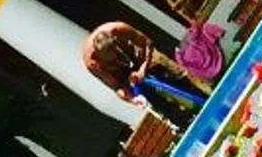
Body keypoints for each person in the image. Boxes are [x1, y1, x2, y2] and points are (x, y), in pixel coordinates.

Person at [82, 20, 211, 123]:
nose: (116, 56)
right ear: (99, 56)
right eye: (112, 58)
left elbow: (148, 43)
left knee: (178, 77)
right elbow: (117, 88)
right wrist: (134, 99)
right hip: (124, 75)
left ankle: (207, 96)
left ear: (117, 41)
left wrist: (143, 68)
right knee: (155, 101)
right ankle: (185, 122)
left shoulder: (119, 29)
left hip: (142, 54)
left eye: (117, 52)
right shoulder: (93, 64)